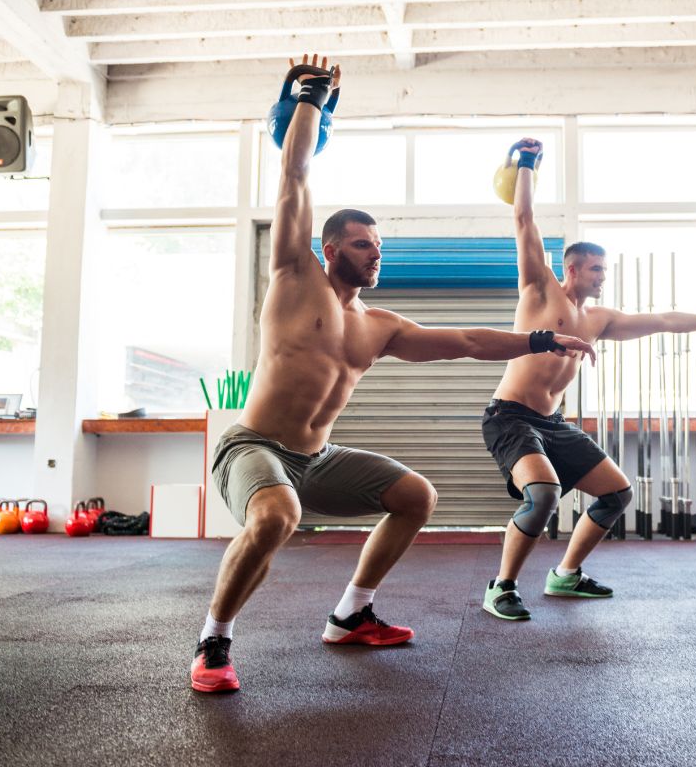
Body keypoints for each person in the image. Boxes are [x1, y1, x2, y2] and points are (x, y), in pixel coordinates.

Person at [192, 60, 596, 692]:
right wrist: (311, 99)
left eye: (378, 245)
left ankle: (351, 614)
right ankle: (214, 641)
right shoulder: (296, 280)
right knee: (276, 516)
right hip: (253, 448)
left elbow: (463, 340)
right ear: (330, 249)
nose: (374, 253)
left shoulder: (377, 325)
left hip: (315, 457)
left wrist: (541, 337)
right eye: (361, 245)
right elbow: (293, 174)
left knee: (416, 496)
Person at [481, 138, 696, 621]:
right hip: (511, 419)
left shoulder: (599, 318)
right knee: (544, 494)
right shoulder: (539, 288)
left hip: (553, 422)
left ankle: (565, 575)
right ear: (571, 268)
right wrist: (525, 164)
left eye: (604, 271)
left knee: (617, 493)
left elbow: (662, 320)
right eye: (595, 269)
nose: (601, 277)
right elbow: (524, 221)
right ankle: (502, 586)